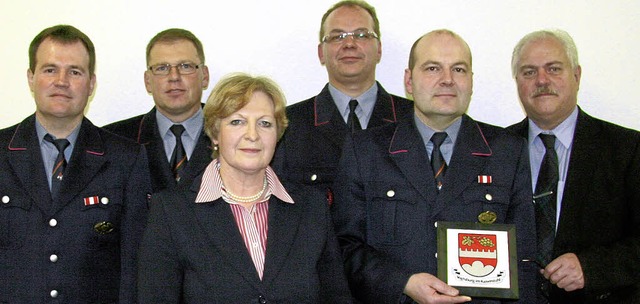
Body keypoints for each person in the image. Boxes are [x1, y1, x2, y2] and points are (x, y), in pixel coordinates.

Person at [331, 29, 537, 303]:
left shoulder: (507, 151)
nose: (447, 80)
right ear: (409, 80)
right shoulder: (365, 150)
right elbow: (344, 247)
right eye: (432, 68)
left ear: (471, 81)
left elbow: (524, 260)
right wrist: (403, 283)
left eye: (459, 69)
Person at [137, 73, 353, 303]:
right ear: (215, 132)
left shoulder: (312, 207)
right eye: (237, 121)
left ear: (277, 135)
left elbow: (336, 297)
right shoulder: (171, 211)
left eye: (265, 123)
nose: (252, 135)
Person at [0, 25, 151, 303]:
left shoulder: (125, 159)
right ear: (31, 78)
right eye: (49, 70)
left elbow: (134, 267)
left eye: (75, 71)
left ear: (91, 83)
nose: (61, 81)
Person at [508, 29, 640, 303]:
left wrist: (592, 268)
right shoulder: (495, 149)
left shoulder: (628, 149)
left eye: (553, 69)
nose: (542, 80)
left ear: (577, 75)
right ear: (517, 81)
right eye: (529, 72)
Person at [271, 0, 413, 202]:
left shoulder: (412, 119)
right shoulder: (288, 125)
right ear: (321, 52)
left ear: (379, 49)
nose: (349, 44)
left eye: (362, 35)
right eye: (337, 36)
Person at [104, 28, 212, 193]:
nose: (174, 76)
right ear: (148, 81)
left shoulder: (234, 135)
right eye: (162, 68)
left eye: (185, 66)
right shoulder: (113, 140)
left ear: (204, 76)